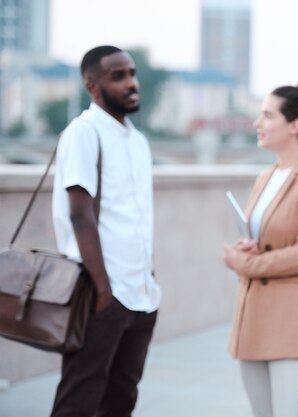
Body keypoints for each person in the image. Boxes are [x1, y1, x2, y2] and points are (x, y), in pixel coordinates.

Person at [51, 45, 160, 416]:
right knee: (79, 399)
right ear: (92, 85)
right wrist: (103, 293)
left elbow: (137, 216)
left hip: (142, 295)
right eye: (119, 76)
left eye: (131, 73)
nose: (131, 83)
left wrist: (150, 276)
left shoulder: (138, 141)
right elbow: (80, 215)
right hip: (101, 294)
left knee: (121, 400)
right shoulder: (83, 133)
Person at [223, 79, 298, 417]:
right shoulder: (266, 176)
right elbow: (268, 240)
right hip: (253, 317)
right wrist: (247, 248)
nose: (258, 124)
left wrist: (246, 264)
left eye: (267, 116)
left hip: (293, 321)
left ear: (294, 125)